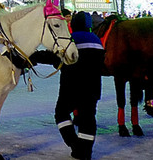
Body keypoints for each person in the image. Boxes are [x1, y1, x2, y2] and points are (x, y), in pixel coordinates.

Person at [30, 11, 105, 160]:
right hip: (92, 88)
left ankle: (74, 144)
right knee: (88, 119)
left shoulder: (71, 39)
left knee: (61, 114)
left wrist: (32, 56)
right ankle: (85, 152)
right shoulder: (97, 41)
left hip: (71, 87)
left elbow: (53, 56)